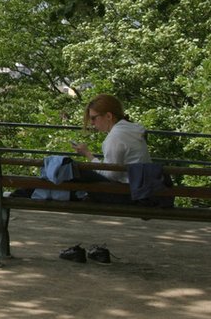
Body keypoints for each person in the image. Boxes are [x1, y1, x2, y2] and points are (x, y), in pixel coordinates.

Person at [60, 93, 152, 264]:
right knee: (78, 173)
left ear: (109, 116)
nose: (93, 124)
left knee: (72, 169)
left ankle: (24, 194)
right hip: (141, 191)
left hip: (127, 195)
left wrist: (88, 156)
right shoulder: (133, 129)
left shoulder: (115, 137)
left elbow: (111, 175)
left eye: (94, 118)